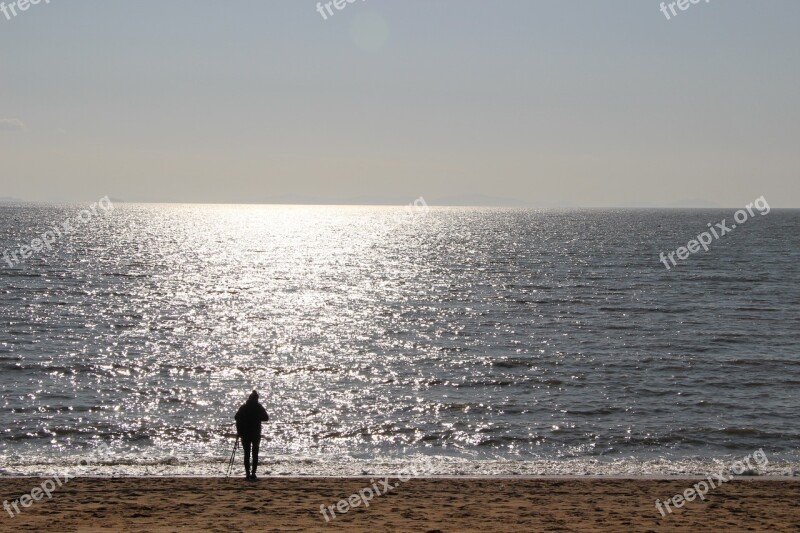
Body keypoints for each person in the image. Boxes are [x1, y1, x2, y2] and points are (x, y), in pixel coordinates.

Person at [234, 390, 269, 480]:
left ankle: (247, 473)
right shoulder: (258, 407)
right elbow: (266, 418)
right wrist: (257, 417)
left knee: (247, 454)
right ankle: (253, 473)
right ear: (256, 399)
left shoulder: (244, 407)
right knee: (255, 453)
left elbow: (236, 417)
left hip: (245, 433)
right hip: (255, 433)